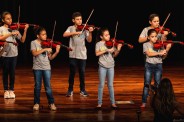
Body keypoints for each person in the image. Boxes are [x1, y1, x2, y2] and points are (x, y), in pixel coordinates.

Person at [63, 11, 94, 97]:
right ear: (73, 20)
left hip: (82, 54)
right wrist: (75, 33)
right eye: (77, 19)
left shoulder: (85, 29)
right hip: (72, 54)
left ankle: (82, 90)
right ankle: (70, 89)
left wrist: (90, 32)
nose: (80, 21)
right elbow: (64, 34)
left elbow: (89, 40)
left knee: (82, 72)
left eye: (80, 19)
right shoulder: (70, 28)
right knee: (72, 72)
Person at [0, 11, 29, 99]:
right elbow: (1, 38)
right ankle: (6, 90)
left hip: (14, 54)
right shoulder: (1, 28)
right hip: (4, 54)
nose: (10, 20)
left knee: (12, 73)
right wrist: (10, 33)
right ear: (3, 20)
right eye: (7, 19)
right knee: (5, 73)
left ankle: (11, 90)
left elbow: (22, 40)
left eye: (11, 18)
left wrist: (25, 30)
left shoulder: (14, 28)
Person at [30, 26, 60, 111]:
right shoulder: (33, 42)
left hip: (47, 67)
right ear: (38, 36)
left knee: (48, 87)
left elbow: (50, 58)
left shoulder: (48, 43)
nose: (45, 36)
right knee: (37, 86)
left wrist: (56, 52)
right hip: (37, 68)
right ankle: (36, 103)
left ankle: (51, 103)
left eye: (45, 34)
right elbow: (34, 53)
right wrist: (45, 49)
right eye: (43, 35)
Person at [95, 27, 122, 109]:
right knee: (101, 85)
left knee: (110, 85)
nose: (108, 36)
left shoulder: (112, 43)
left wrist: (118, 49)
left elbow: (114, 55)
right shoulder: (98, 44)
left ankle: (113, 103)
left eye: (109, 34)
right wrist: (106, 50)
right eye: (106, 35)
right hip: (102, 66)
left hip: (111, 66)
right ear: (101, 36)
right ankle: (99, 103)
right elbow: (97, 54)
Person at [140, 29, 168, 108]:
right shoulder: (145, 44)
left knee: (158, 84)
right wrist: (159, 52)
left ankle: (158, 101)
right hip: (149, 65)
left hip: (158, 65)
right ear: (148, 37)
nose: (155, 38)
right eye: (152, 37)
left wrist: (166, 51)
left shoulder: (160, 44)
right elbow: (149, 54)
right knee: (146, 84)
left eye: (156, 36)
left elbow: (163, 56)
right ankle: (144, 102)